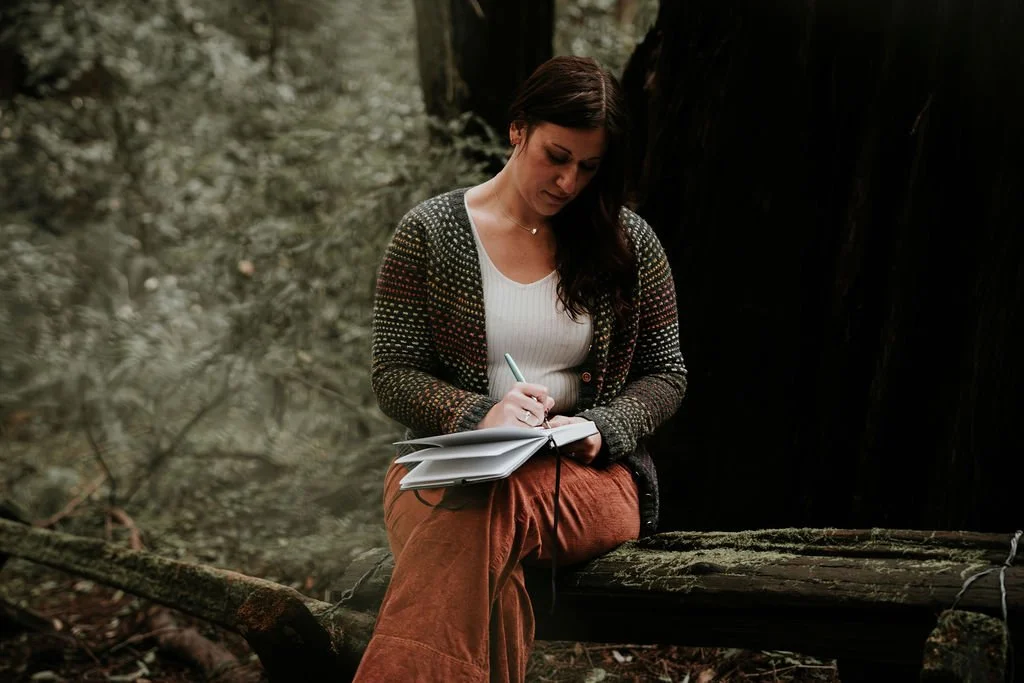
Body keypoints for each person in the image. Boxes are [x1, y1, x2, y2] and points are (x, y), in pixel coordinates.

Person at [354, 55, 687, 683]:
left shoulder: (630, 242)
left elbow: (666, 374)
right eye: (556, 156)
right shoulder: (429, 234)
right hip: (445, 468)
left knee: (488, 508)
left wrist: (604, 426)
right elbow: (393, 373)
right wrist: (481, 414)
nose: (568, 182)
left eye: (589, 168)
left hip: (589, 482)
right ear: (518, 130)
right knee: (485, 558)